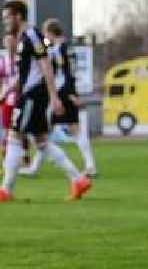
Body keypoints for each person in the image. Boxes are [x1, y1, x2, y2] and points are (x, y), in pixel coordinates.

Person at [0, 0, 92, 203]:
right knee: (41, 142)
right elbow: (23, 76)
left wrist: (54, 97)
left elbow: (46, 66)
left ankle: (6, 190)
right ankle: (78, 179)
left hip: (33, 96)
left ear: (18, 16)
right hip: (30, 94)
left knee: (15, 137)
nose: (5, 22)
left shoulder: (32, 35)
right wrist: (1, 97)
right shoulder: (23, 39)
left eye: (7, 17)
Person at [20, 18, 97, 178]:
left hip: (62, 93)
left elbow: (64, 73)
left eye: (45, 32)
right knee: (53, 131)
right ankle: (89, 165)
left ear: (50, 32)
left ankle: (88, 166)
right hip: (66, 91)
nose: (44, 36)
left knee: (53, 132)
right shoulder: (67, 48)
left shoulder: (59, 49)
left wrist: (67, 93)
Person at [0, 33, 29, 167]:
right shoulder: (1, 63)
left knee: (21, 130)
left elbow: (23, 80)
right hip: (6, 102)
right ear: (4, 44)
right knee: (5, 130)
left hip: (20, 99)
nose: (10, 44)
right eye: (7, 41)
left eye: (12, 41)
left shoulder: (21, 60)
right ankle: (5, 162)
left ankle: (25, 156)